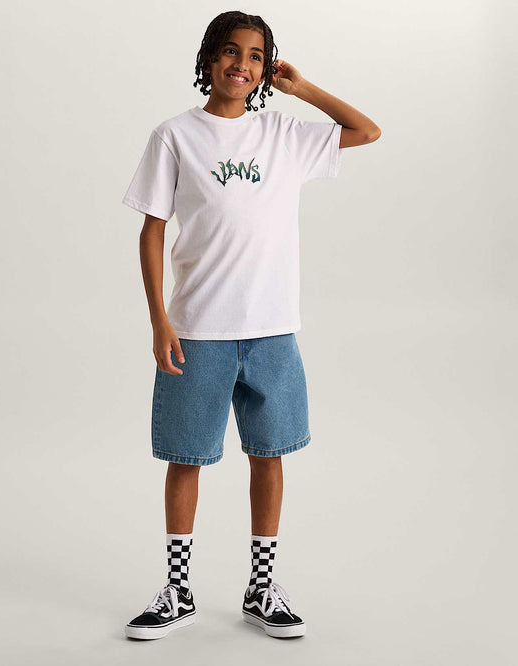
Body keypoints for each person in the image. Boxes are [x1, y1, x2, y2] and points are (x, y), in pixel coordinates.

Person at [121, 10, 381, 641]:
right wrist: (159, 319)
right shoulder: (175, 136)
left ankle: (261, 587)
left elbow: (367, 131)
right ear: (209, 58)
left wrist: (302, 87)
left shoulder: (284, 135)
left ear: (267, 69)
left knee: (269, 456)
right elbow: (152, 230)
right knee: (186, 457)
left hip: (272, 331)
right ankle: (177, 589)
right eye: (231, 51)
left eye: (257, 56)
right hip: (197, 330)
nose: (243, 64)